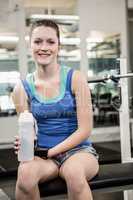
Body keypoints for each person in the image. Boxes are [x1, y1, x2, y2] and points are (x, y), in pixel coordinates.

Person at [12, 19, 99, 200]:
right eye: (38, 41)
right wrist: (25, 142)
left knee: (75, 174)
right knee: (25, 175)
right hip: (44, 157)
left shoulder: (76, 79)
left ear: (59, 46)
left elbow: (85, 130)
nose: (44, 47)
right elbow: (29, 129)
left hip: (79, 152)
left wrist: (49, 152)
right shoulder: (21, 88)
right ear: (30, 46)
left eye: (50, 42)